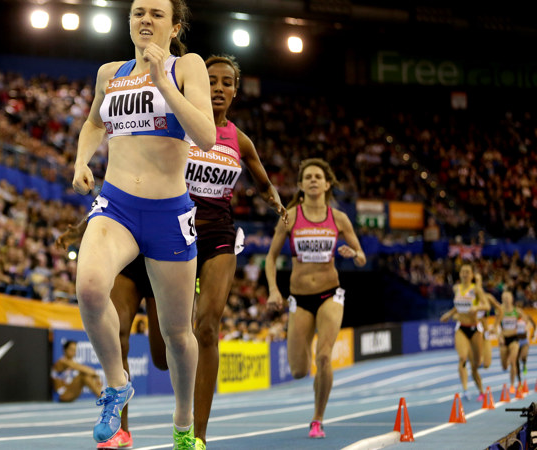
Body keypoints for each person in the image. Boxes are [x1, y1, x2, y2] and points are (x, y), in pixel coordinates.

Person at [72, 0, 215, 446]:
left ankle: (183, 421)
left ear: (174, 26)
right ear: (129, 23)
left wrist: (162, 84)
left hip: (168, 214)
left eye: (156, 13)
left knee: (177, 334)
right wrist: (81, 161)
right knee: (90, 287)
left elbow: (206, 137)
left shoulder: (187, 66)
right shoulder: (109, 73)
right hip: (116, 205)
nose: (145, 20)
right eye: (138, 13)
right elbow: (94, 122)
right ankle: (117, 384)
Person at [184, 54, 286, 450]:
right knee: (166, 344)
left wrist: (277, 204)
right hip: (174, 234)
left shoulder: (240, 140)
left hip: (219, 235)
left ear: (235, 91)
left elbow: (263, 183)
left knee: (207, 326)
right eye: (211, 81)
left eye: (227, 82)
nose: (218, 88)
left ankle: (198, 435)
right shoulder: (180, 125)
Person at [265, 158, 366, 439]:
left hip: (329, 294)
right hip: (298, 297)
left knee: (324, 356)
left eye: (317, 177)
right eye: (307, 177)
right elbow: (271, 259)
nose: (312, 180)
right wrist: (274, 290)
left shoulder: (339, 219)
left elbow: (361, 257)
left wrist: (353, 254)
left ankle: (317, 419)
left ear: (327, 183)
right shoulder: (290, 216)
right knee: (298, 370)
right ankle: (312, 382)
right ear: (300, 185)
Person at [57, 218, 167, 450]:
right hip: (129, 255)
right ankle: (120, 429)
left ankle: (186, 420)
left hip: (163, 253)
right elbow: (109, 197)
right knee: (117, 335)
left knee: (164, 358)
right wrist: (80, 229)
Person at [439, 265, 488, 401]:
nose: (465, 274)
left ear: (472, 275)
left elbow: (487, 305)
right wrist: (448, 314)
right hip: (461, 327)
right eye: (463, 272)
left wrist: (477, 307)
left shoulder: (476, 289)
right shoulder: (457, 288)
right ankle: (465, 390)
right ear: (460, 274)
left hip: (475, 328)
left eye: (468, 272)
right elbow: (458, 306)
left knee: (476, 364)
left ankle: (481, 391)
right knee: (462, 357)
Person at [495, 290, 523, 391]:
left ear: (512, 299)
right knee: (504, 366)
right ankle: (505, 359)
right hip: (504, 339)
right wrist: (500, 336)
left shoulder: (517, 311)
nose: (506, 300)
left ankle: (512, 385)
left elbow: (526, 321)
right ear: (502, 299)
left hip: (514, 339)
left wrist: (526, 328)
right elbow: (496, 326)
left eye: (508, 298)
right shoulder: (500, 311)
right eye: (504, 298)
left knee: (513, 361)